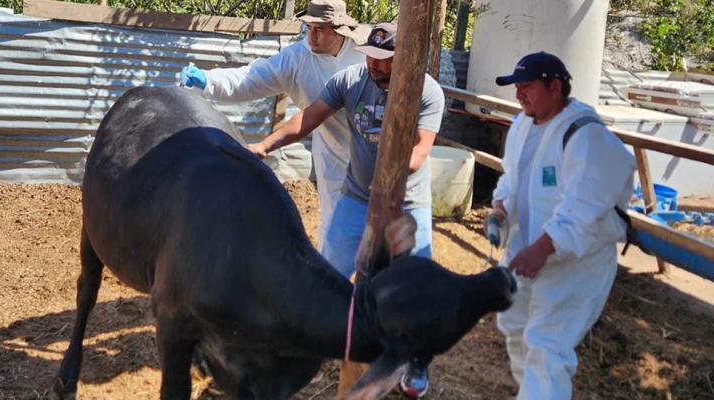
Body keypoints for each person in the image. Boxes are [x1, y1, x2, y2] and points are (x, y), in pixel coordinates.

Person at [247, 22, 445, 399]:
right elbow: (307, 118)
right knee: (330, 274)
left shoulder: (427, 90)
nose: (375, 65)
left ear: (404, 58)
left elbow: (421, 149)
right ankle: (311, 343)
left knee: (415, 288)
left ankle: (416, 362)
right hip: (357, 200)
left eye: (384, 60)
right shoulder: (351, 79)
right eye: (371, 56)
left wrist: (392, 176)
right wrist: (266, 144)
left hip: (407, 205)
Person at [488, 51, 636, 399]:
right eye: (517, 87)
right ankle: (531, 393)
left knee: (547, 344)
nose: (519, 95)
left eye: (527, 86)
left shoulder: (586, 136)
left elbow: (584, 207)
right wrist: (500, 207)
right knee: (515, 324)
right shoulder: (524, 123)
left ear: (555, 86)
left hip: (575, 263)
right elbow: (514, 177)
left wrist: (542, 247)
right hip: (529, 249)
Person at [180, 0, 367, 247]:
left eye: (319, 29)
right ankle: (332, 277)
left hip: (374, 146)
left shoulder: (366, 54)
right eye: (308, 26)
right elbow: (253, 77)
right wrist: (209, 80)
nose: (311, 34)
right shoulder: (297, 59)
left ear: (338, 29)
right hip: (332, 149)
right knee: (334, 219)